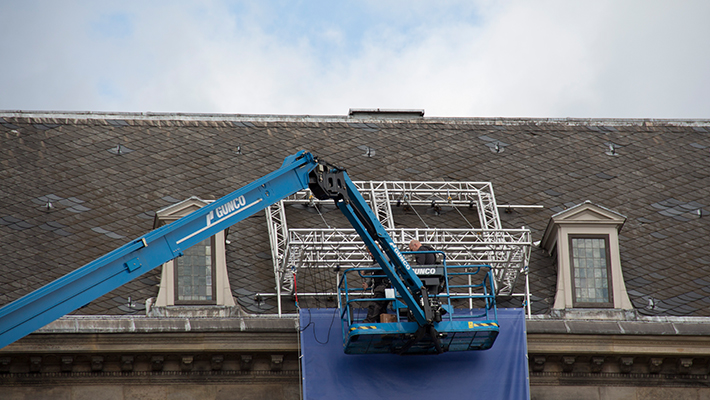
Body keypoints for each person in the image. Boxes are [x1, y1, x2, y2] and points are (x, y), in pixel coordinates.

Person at [362, 253, 390, 323]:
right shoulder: (375, 261)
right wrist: (367, 283)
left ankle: (367, 322)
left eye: (371, 252)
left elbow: (381, 264)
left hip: (384, 286)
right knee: (381, 309)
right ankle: (384, 329)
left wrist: (366, 270)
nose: (370, 254)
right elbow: (373, 274)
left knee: (376, 304)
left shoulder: (384, 256)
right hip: (379, 286)